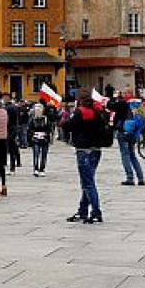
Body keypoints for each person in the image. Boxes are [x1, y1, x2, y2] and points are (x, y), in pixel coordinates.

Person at [63, 89, 108, 224]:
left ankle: (96, 212)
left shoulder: (80, 112)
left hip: (84, 149)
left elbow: (68, 126)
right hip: (96, 150)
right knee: (88, 181)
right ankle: (82, 211)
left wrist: (64, 120)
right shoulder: (97, 111)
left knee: (88, 183)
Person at [27, 102, 51, 177]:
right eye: (36, 110)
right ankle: (36, 169)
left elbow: (49, 129)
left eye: (39, 110)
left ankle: (42, 169)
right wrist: (33, 134)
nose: (38, 111)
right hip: (35, 138)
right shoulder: (32, 119)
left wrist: (46, 134)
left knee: (44, 154)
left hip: (44, 138)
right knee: (36, 154)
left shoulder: (46, 119)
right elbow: (29, 129)